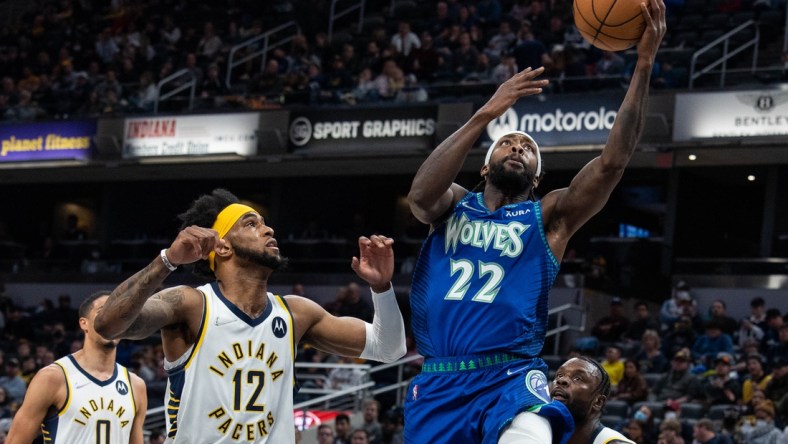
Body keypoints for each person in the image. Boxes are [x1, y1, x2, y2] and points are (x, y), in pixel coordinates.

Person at [404, 0, 666, 440]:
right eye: (507, 143)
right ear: (485, 166)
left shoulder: (548, 216)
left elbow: (612, 163)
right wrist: (486, 113)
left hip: (510, 374)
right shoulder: (452, 205)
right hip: (439, 379)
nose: (517, 148)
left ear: (538, 176)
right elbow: (419, 197)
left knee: (529, 430)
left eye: (527, 148)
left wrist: (643, 63)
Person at [93, 189, 406, 443]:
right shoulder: (192, 304)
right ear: (224, 247)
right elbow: (108, 324)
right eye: (251, 224)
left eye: (264, 223)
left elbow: (389, 348)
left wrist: (381, 287)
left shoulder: (296, 313)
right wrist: (168, 260)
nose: (268, 229)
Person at [6, 291, 147, 444]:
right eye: (103, 313)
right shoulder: (53, 377)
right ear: (83, 323)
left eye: (117, 315)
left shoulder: (136, 385)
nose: (111, 320)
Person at [550, 356, 635, 444]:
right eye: (559, 375)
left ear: (598, 402)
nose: (561, 380)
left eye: (577, 378)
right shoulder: (542, 435)